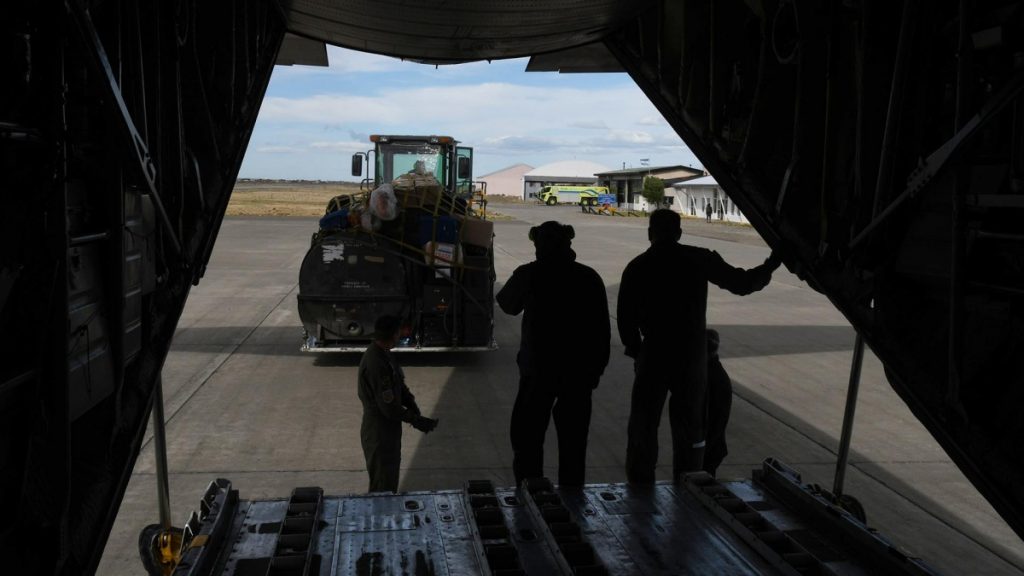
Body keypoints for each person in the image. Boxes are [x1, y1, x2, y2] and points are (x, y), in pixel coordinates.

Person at [617, 209, 780, 483]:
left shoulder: (637, 266)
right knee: (691, 428)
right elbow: (742, 283)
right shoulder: (699, 258)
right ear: (679, 233)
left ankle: (640, 487)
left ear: (650, 233)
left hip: (654, 353)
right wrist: (772, 264)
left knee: (643, 427)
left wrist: (637, 352)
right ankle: (690, 483)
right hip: (690, 356)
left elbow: (625, 319)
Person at [497, 221, 610, 487]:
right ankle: (572, 498)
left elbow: (507, 305)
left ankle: (531, 494)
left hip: (537, 373)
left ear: (538, 245)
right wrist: (595, 372)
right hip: (578, 375)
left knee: (527, 442)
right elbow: (602, 332)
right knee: (573, 444)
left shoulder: (529, 274)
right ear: (567, 244)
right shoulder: (589, 277)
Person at [358, 315, 438, 492]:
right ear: (393, 334)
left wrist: (411, 404)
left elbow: (398, 384)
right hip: (379, 432)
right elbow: (389, 408)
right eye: (398, 332)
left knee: (390, 480)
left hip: (388, 431)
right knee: (382, 487)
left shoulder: (385, 355)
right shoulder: (375, 363)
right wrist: (415, 420)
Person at [703, 329, 732, 477]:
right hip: (710, 447)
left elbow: (715, 420)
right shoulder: (713, 373)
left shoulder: (712, 378)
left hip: (707, 449)